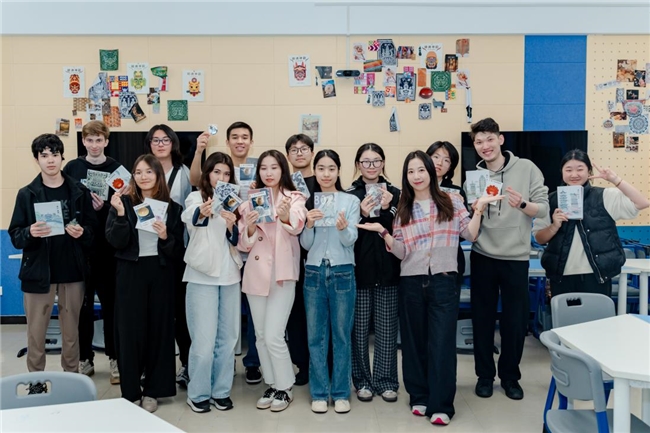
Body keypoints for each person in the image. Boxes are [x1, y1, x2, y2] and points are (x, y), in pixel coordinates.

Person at [358, 150, 501, 426]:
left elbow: (469, 234)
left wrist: (479, 209)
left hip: (443, 281)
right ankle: (419, 396)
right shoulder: (403, 208)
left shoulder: (451, 200)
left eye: (421, 170)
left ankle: (441, 404)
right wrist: (384, 233)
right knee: (413, 344)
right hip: (411, 281)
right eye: (410, 171)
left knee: (441, 344)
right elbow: (402, 252)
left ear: (430, 171)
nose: (416, 176)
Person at [464, 118, 549, 401]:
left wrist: (522, 204)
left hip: (516, 257)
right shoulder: (473, 177)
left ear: (500, 139)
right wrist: (475, 209)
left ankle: (511, 377)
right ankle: (484, 376)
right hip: (482, 255)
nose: (485, 146)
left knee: (515, 322)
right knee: (482, 320)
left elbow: (543, 208)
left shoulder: (527, 168)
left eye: (489, 139)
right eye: (479, 141)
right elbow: (471, 220)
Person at [9, 134, 97, 389]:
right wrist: (30, 232)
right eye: (44, 155)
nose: (50, 160)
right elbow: (16, 236)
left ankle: (71, 380)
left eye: (55, 154)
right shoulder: (27, 194)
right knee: (36, 333)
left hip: (73, 272)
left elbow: (92, 231)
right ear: (36, 159)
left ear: (61, 157)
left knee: (72, 333)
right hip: (38, 273)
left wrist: (83, 233)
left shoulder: (78, 191)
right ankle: (36, 382)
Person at [105, 154, 184, 412]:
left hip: (160, 273)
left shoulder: (172, 208)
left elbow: (177, 252)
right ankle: (131, 391)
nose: (143, 176)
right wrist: (119, 214)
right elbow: (115, 241)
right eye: (138, 172)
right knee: (129, 332)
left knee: (159, 331)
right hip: (130, 272)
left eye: (149, 171)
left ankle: (153, 390)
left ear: (158, 175)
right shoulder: (123, 203)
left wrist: (165, 237)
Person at [191, 121, 263, 384]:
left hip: (252, 245)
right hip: (225, 250)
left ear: (251, 141)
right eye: (235, 137)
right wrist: (199, 150)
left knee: (253, 312)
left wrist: (257, 192)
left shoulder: (258, 167)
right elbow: (195, 184)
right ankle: (226, 362)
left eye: (245, 137)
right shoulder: (219, 168)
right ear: (228, 141)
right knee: (225, 316)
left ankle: (252, 362)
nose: (240, 141)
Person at [237, 150, 307, 412]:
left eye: (274, 167)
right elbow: (243, 244)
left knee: (275, 335)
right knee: (260, 336)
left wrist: (285, 215)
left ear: (282, 170)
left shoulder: (294, 198)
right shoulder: (250, 202)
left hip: (282, 274)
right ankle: (272, 383)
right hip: (256, 274)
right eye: (264, 168)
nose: (268, 173)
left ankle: (285, 386)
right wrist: (250, 227)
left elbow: (298, 226)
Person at [533, 149, 649, 297]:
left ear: (589, 171)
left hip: (597, 275)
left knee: (597, 312)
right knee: (562, 312)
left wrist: (615, 180)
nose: (574, 174)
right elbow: (539, 238)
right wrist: (554, 226)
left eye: (580, 169)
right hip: (560, 274)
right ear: (561, 172)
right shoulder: (550, 200)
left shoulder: (604, 196)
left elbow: (642, 203)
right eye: (568, 170)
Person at [182, 152, 243, 413]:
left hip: (229, 276)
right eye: (217, 172)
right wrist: (202, 212)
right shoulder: (196, 198)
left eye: (227, 173)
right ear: (207, 174)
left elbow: (237, 239)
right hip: (201, 276)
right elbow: (189, 219)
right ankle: (198, 392)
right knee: (203, 340)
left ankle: (221, 391)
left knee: (227, 338)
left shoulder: (234, 200)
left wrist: (231, 226)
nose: (222, 178)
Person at [301, 149, 361, 414]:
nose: (326, 174)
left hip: (342, 271)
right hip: (314, 271)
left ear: (338, 171)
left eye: (331, 168)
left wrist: (343, 228)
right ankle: (318, 392)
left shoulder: (350, 201)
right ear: (315, 171)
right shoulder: (309, 201)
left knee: (341, 335)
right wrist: (308, 225)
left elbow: (351, 240)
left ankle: (340, 393)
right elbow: (305, 245)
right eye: (321, 168)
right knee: (315, 336)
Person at [62, 120, 121, 384]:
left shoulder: (118, 169)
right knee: (81, 307)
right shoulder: (72, 168)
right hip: (80, 249)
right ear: (83, 141)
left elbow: (126, 205)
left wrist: (105, 207)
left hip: (109, 250)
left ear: (106, 141)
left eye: (99, 140)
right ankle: (84, 357)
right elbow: (64, 203)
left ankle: (115, 357)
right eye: (90, 140)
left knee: (112, 306)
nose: (94, 145)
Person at [345, 143, 401, 403]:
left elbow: (400, 230)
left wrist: (388, 209)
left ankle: (386, 381)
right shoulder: (349, 195)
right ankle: (362, 382)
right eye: (365, 161)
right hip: (359, 272)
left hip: (389, 271)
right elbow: (346, 234)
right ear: (358, 164)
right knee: (358, 332)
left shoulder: (396, 194)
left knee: (387, 331)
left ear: (383, 163)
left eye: (376, 160)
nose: (371, 166)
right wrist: (362, 214)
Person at [144, 124, 192, 388]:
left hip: (177, 249)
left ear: (173, 143)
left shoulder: (183, 172)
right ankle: (153, 368)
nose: (160, 144)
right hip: (147, 253)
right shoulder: (142, 171)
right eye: (155, 140)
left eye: (165, 140)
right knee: (153, 315)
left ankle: (186, 365)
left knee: (180, 314)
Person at [284, 134, 316, 386]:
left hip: (317, 255)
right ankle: (302, 365)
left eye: (304, 149)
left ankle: (320, 364)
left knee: (317, 315)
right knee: (295, 314)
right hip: (291, 255)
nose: (299, 153)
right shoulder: (284, 185)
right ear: (288, 156)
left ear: (312, 152)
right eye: (294, 150)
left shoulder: (323, 181)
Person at [426, 141, 469, 287]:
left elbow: (463, 235)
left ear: (450, 167)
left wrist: (460, 210)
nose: (439, 163)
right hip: (418, 262)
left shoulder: (457, 193)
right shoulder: (413, 188)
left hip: (449, 262)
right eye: (436, 157)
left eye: (446, 160)